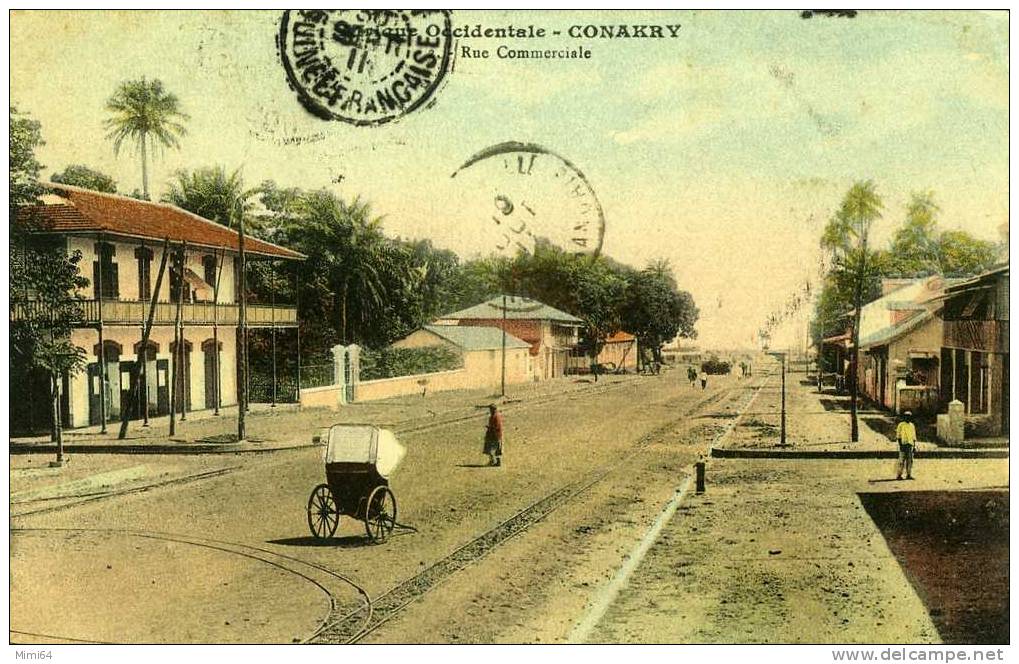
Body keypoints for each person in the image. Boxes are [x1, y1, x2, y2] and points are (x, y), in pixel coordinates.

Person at [895, 410, 917, 480]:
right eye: (906, 417)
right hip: (903, 444)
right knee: (901, 461)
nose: (908, 418)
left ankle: (909, 474)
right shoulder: (901, 425)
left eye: (909, 417)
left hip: (910, 445)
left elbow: (914, 437)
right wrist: (900, 445)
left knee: (910, 461)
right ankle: (899, 475)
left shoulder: (912, 425)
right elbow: (898, 436)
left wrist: (914, 446)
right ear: (904, 417)